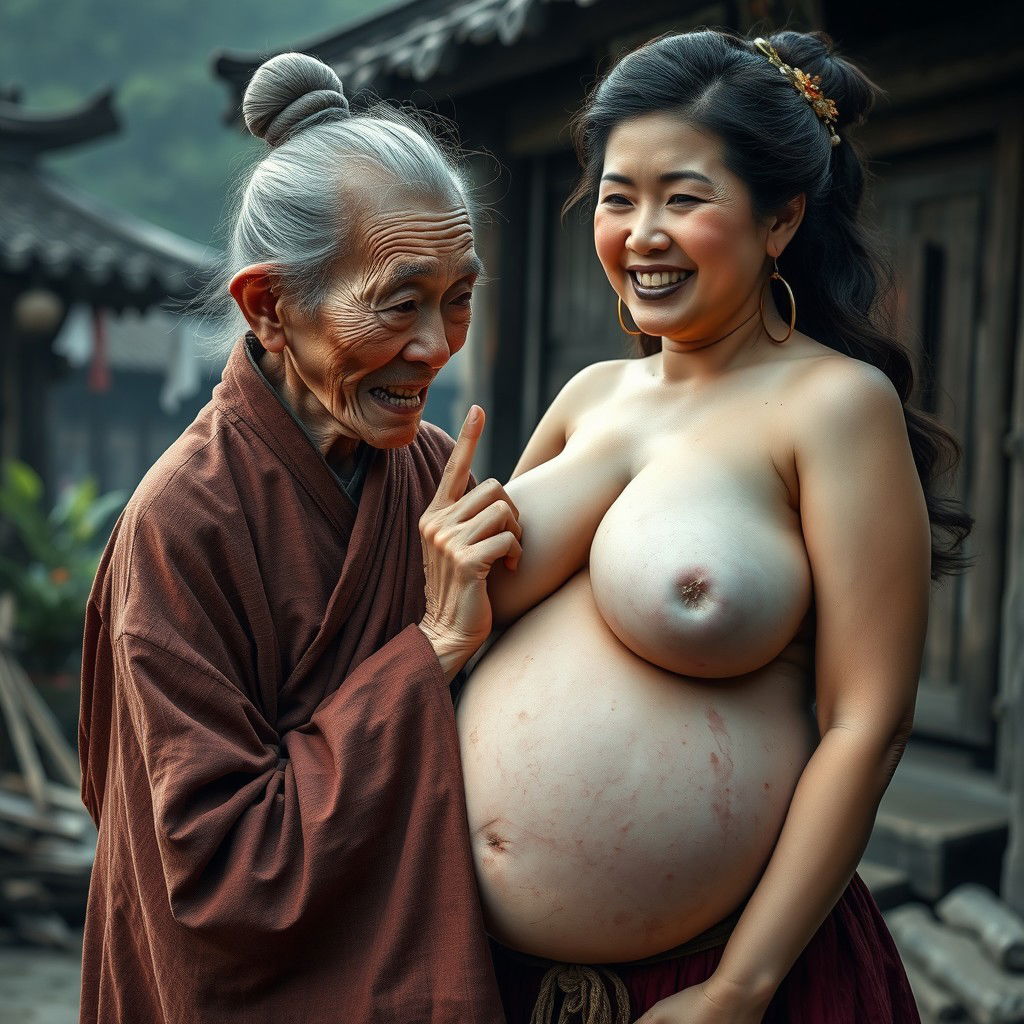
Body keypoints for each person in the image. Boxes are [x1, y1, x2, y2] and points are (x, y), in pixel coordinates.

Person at [455, 28, 971, 1024]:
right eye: (618, 197)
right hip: (489, 978)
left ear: (778, 219)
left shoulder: (832, 407)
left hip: (708, 985)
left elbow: (868, 722)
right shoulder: (587, 394)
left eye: (682, 198)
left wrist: (740, 986)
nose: (642, 232)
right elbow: (471, 639)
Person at [77, 52, 517, 1024]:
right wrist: (430, 652)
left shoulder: (433, 471)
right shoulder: (182, 521)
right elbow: (221, 866)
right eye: (400, 301)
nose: (438, 344)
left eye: (458, 295)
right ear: (268, 307)